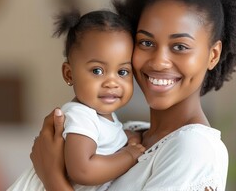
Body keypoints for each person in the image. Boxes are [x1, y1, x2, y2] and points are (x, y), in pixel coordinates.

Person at [30, 0, 236, 191]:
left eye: (179, 47)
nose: (159, 62)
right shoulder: (131, 134)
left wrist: (52, 176)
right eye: (146, 43)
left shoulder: (194, 148)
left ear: (213, 55)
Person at [8, 10, 146, 191]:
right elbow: (83, 170)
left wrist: (126, 138)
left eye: (122, 72)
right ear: (69, 74)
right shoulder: (81, 115)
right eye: (97, 71)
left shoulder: (101, 117)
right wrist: (128, 155)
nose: (112, 83)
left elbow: (102, 144)